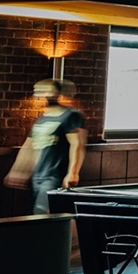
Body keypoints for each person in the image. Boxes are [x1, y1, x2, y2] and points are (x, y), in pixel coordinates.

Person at [27, 78, 86, 214]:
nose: (40, 95)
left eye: (45, 91)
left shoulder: (70, 115)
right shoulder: (42, 118)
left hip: (54, 174)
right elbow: (30, 145)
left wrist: (73, 173)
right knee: (42, 212)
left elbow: (77, 144)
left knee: (43, 212)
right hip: (38, 174)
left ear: (56, 93)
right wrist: (18, 170)